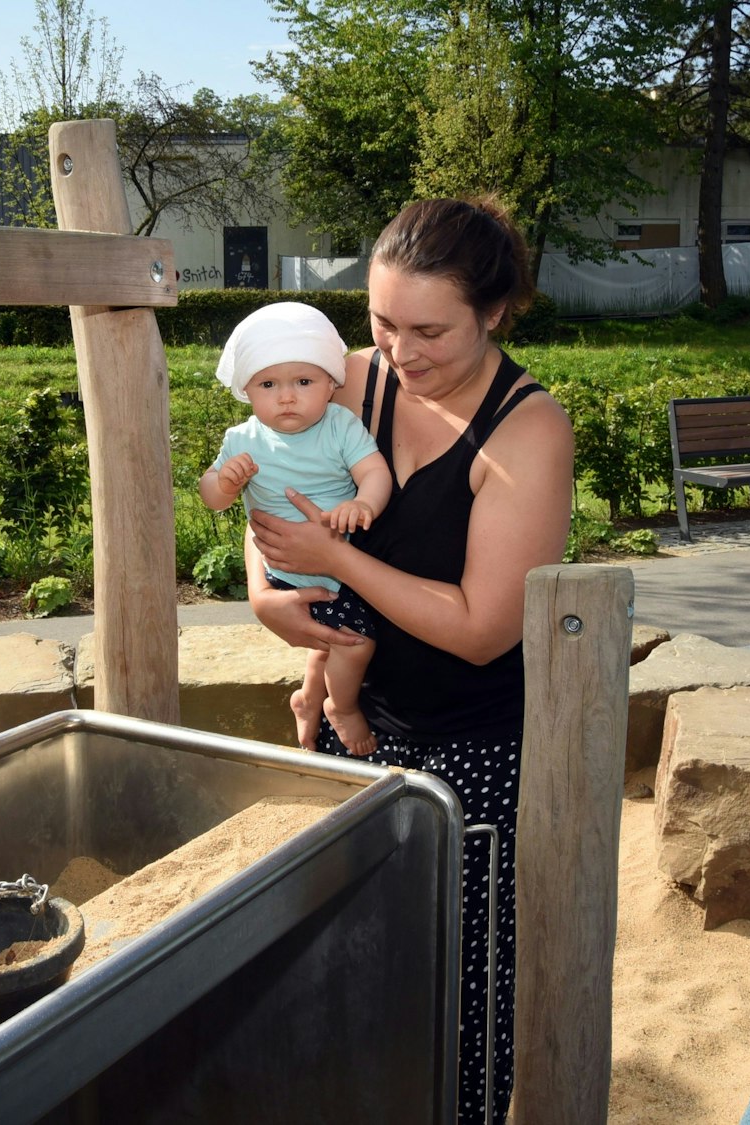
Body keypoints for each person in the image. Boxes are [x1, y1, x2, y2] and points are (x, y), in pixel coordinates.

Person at [246, 198, 572, 1125]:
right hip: (354, 730)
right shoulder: (352, 380)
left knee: (461, 991)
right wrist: (271, 593)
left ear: (497, 311)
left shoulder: (527, 431)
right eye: (382, 320)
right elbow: (275, 496)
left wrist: (340, 560)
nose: (399, 350)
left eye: (430, 329)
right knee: (345, 969)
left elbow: (481, 627)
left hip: (474, 752)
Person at [199, 302, 393, 755]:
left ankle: (308, 699)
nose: (286, 397)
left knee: (326, 642)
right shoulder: (242, 440)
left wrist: (363, 501)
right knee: (355, 643)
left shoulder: (340, 426)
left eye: (303, 382)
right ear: (247, 390)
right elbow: (211, 495)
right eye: (269, 385)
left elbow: (375, 471)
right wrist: (224, 483)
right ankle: (340, 707)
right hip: (284, 571)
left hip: (337, 566)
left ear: (330, 383)